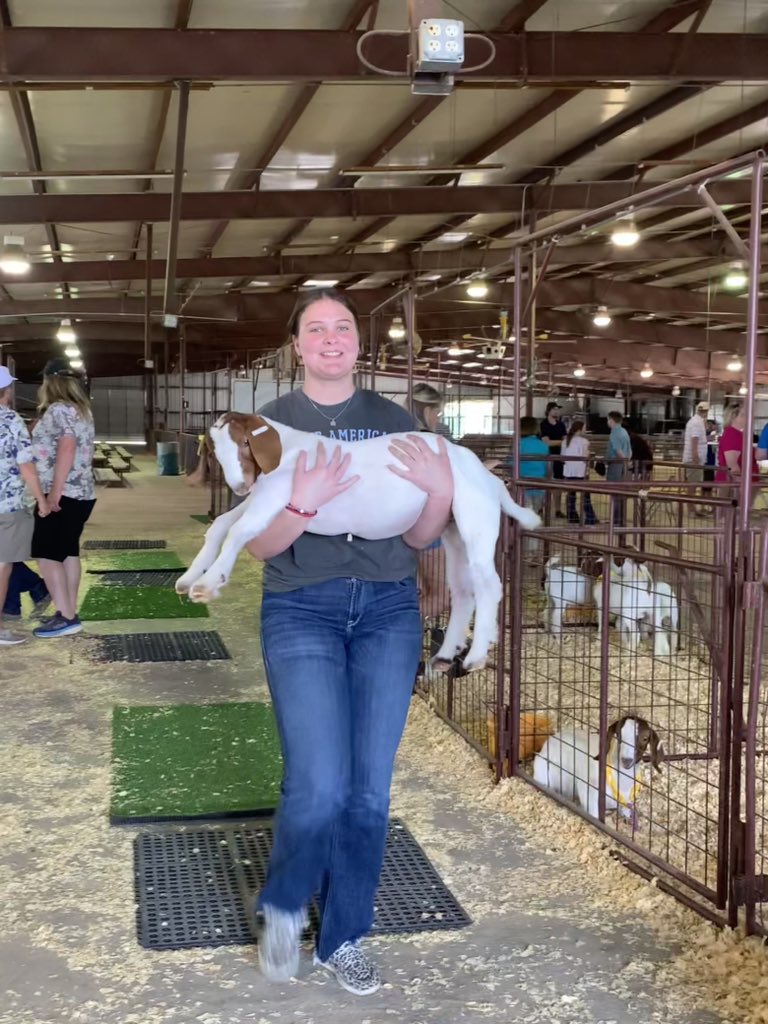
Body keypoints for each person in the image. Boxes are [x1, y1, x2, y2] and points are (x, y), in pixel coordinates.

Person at [244, 289, 453, 995]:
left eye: (343, 328)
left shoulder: (393, 421)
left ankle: (346, 936)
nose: (331, 339)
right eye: (316, 329)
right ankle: (282, 904)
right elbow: (258, 543)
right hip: (303, 606)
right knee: (319, 780)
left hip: (389, 608)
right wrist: (305, 503)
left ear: (359, 345)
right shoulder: (272, 424)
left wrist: (439, 494)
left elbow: (420, 536)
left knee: (368, 789)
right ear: (296, 346)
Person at [29, 359, 96, 639]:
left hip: (62, 494)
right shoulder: (81, 410)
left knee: (47, 555)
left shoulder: (57, 410)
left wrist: (53, 493)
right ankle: (68, 611)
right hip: (82, 493)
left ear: (50, 382)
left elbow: (67, 447)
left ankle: (66, 616)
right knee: (67, 552)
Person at [0, 365, 50, 645]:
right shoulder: (10, 420)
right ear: (6, 391)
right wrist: (41, 499)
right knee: (2, 566)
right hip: (7, 505)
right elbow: (26, 466)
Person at [716, 402, 758, 497]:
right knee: (733, 511)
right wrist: (741, 489)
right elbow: (733, 465)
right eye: (743, 415)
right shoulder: (732, 435)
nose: (747, 418)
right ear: (733, 418)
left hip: (741, 482)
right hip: (734, 485)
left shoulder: (738, 435)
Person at [562, 420, 598, 525]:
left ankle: (571, 516)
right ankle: (590, 517)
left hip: (569, 471)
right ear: (579, 429)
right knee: (585, 495)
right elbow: (584, 456)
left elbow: (562, 457)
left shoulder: (565, 441)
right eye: (584, 428)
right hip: (581, 471)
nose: (585, 430)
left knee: (571, 495)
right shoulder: (584, 442)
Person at [683, 400, 710, 516]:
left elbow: (697, 440)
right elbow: (694, 440)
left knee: (693, 484)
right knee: (692, 485)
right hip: (694, 459)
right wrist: (695, 456)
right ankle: (691, 509)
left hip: (695, 457)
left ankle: (692, 507)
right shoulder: (696, 423)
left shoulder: (696, 421)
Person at [539, 401, 566, 517]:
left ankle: (557, 510)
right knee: (545, 483)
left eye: (558, 409)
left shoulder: (561, 425)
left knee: (558, 483)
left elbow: (565, 440)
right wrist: (562, 442)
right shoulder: (543, 424)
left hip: (559, 457)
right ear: (548, 411)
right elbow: (546, 442)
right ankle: (540, 507)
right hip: (546, 457)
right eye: (554, 409)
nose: (556, 411)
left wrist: (561, 443)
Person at [605, 411, 632, 527]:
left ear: (611, 420)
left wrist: (623, 460)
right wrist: (627, 461)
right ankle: (619, 519)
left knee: (614, 492)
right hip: (623, 466)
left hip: (616, 464)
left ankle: (615, 520)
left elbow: (618, 450)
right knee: (621, 493)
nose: (607, 422)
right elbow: (629, 450)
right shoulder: (624, 432)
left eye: (608, 420)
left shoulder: (614, 433)